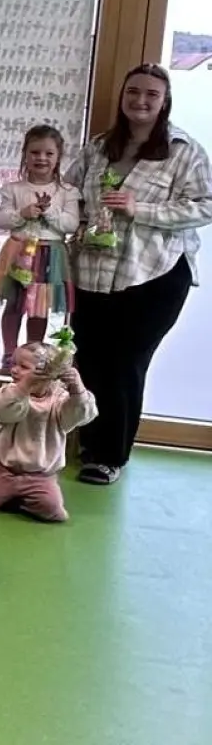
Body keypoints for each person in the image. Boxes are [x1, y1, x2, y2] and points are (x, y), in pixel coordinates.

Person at [67, 64, 212, 485]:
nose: (141, 100)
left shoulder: (183, 150)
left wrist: (140, 210)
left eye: (151, 94)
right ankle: (88, 443)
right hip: (92, 271)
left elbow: (205, 205)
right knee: (89, 358)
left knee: (125, 363)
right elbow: (71, 194)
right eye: (133, 91)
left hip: (153, 274)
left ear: (165, 101)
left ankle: (110, 455)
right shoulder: (99, 147)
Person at [0, 125, 80, 369]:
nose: (41, 158)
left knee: (39, 308)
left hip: (51, 254)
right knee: (15, 303)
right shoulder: (14, 189)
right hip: (19, 252)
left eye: (49, 153)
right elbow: (2, 220)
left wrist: (50, 212)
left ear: (58, 157)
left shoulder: (67, 192)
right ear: (25, 155)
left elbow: (71, 224)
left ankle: (33, 355)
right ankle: (9, 352)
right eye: (35, 152)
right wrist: (23, 213)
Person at [0, 343, 97, 522]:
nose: (15, 370)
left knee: (54, 512)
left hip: (40, 476)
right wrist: (24, 386)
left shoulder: (59, 399)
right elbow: (4, 410)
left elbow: (81, 416)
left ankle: (17, 500)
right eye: (13, 364)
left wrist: (77, 389)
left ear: (47, 374)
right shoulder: (11, 392)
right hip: (3, 468)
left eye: (23, 366)